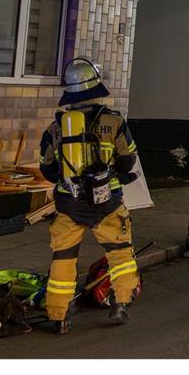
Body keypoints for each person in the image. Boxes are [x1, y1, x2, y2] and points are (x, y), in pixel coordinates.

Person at [38, 58, 140, 335]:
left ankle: (59, 317)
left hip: (69, 203)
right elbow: (128, 160)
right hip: (107, 201)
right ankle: (120, 304)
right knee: (119, 253)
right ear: (95, 87)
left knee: (64, 257)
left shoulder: (55, 128)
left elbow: (46, 169)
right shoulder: (114, 121)